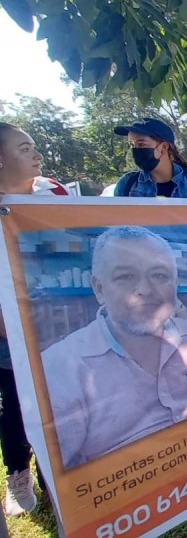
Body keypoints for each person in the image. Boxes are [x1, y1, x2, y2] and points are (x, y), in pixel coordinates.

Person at [41, 226, 187, 469]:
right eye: (125, 277)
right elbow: (65, 475)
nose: (146, 290)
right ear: (99, 289)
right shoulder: (60, 368)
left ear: (175, 284)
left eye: (159, 275)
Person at [0, 123, 68, 515]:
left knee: (55, 405)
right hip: (8, 333)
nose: (37, 156)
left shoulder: (52, 193)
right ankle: (17, 473)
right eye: (26, 149)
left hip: (53, 322)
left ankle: (55, 481)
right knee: (15, 403)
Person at [113, 117, 187, 198]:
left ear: (163, 148)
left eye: (141, 144)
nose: (135, 150)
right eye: (132, 144)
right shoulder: (126, 184)